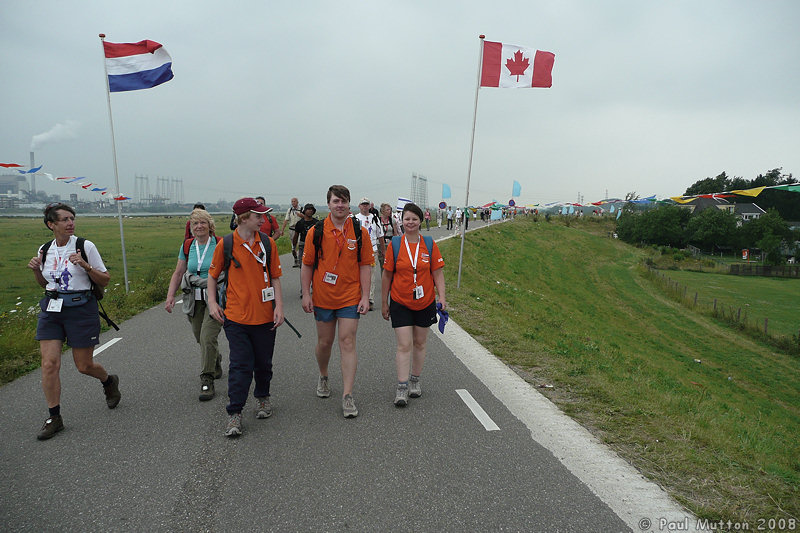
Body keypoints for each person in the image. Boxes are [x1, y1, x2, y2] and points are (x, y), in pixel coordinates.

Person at [27, 203, 120, 440]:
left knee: (84, 366)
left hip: (80, 308)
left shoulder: (84, 246)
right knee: (49, 364)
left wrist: (85, 265)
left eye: (72, 218)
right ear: (51, 224)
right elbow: (45, 283)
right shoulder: (45, 249)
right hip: (52, 309)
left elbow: (105, 279)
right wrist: (37, 270)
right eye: (65, 219)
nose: (71, 223)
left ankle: (108, 381)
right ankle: (54, 417)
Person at [207, 197, 284, 438]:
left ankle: (262, 397)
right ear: (243, 218)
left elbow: (275, 278)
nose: (263, 220)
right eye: (258, 216)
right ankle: (235, 412)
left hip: (265, 317)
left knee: (263, 364)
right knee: (240, 365)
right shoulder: (226, 244)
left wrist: (279, 306)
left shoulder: (268, 244)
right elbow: (213, 275)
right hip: (236, 317)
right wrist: (212, 302)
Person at [301, 185, 373, 418]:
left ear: (349, 204)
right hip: (323, 296)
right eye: (335, 201)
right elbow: (307, 265)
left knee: (347, 341)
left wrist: (365, 296)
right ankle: (323, 375)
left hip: (349, 297)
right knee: (325, 343)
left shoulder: (359, 232)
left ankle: (347, 395)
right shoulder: (317, 231)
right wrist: (305, 293)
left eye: (343, 201)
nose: (339, 205)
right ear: (329, 204)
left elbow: (365, 266)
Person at [381, 202, 446, 407]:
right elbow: (387, 275)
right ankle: (402, 387)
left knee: (419, 343)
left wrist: (442, 297)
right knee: (404, 344)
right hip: (400, 301)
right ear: (402, 221)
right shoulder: (395, 244)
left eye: (414, 219)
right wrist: (384, 301)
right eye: (407, 219)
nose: (410, 222)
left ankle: (415, 381)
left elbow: (437, 273)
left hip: (425, 301)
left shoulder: (429, 244)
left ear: (420, 221)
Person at [165, 209, 223, 401]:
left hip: (216, 299)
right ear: (191, 227)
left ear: (210, 226)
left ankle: (207, 379)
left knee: (207, 336)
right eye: (195, 223)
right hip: (194, 299)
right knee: (200, 336)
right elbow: (179, 272)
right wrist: (170, 295)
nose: (199, 226)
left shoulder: (220, 244)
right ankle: (215, 360)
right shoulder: (188, 246)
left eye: (203, 223)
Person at [354, 197, 384, 311]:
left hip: (372, 250)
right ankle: (358, 297)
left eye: (367, 204)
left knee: (371, 276)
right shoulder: (355, 218)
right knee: (357, 275)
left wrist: (383, 250)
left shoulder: (375, 218)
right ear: (359, 206)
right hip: (358, 251)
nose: (365, 206)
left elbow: (380, 235)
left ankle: (369, 299)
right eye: (363, 204)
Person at [295, 203, 319, 296]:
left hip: (314, 246)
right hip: (303, 245)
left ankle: (315, 287)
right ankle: (304, 290)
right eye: (308, 209)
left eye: (311, 209)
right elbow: (296, 236)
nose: (310, 211)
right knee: (303, 267)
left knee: (315, 267)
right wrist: (294, 247)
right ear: (304, 211)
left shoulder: (317, 223)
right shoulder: (300, 223)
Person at [281, 197, 303, 267]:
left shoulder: (301, 209)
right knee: (293, 247)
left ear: (297, 202)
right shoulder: (289, 210)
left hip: (299, 230)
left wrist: (301, 215)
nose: (293, 203)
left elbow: (306, 217)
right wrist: (282, 230)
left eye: (294, 201)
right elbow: (286, 220)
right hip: (292, 229)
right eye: (292, 201)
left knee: (300, 244)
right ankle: (295, 259)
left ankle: (300, 260)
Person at [378, 202, 400, 272]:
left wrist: (396, 244)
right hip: (380, 244)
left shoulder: (392, 220)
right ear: (383, 211)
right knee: (383, 264)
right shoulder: (377, 220)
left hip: (390, 244)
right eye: (387, 210)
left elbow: (395, 233)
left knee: (391, 263)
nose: (389, 211)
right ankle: (384, 280)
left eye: (390, 209)